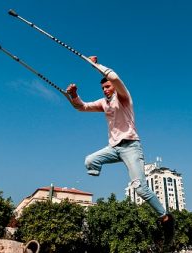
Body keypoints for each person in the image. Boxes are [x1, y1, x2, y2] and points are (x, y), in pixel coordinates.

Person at [64, 56, 174, 231]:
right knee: (90, 160)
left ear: (114, 87)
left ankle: (166, 217)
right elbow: (81, 107)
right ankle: (95, 176)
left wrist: (96, 65)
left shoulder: (123, 97)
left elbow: (114, 77)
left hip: (131, 147)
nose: (105, 90)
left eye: (107, 87)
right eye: (103, 88)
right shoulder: (103, 103)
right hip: (114, 148)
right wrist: (75, 95)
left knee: (140, 188)